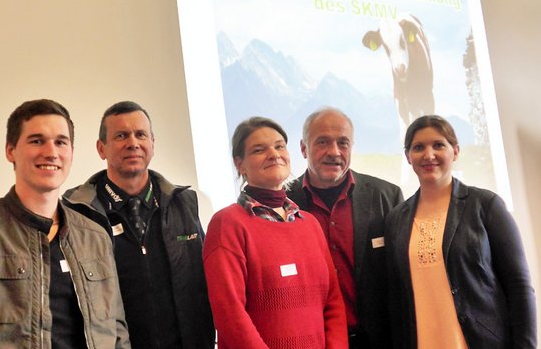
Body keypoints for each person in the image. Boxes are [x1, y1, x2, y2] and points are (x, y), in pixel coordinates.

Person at [0, 99, 130, 348]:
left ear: (71, 152)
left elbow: (117, 334)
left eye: (61, 142)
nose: (51, 152)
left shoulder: (95, 237)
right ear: (11, 150)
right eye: (37, 141)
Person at [63, 101, 215, 349]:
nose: (132, 143)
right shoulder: (78, 212)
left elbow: (204, 283)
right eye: (121, 135)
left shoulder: (183, 204)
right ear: (102, 149)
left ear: (152, 144)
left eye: (140, 134)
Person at [384, 115, 536, 348]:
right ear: (407, 157)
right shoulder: (396, 219)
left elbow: (520, 287)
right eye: (418, 147)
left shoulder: (485, 205)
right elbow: (396, 299)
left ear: (455, 151)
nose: (428, 155)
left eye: (438, 145)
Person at [203, 116, 348, 348]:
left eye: (279, 146)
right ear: (239, 164)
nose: (274, 154)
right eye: (259, 149)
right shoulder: (228, 225)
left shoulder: (309, 224)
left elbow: (333, 303)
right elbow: (230, 314)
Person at [286, 107, 403, 348]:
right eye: (323, 142)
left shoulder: (387, 196)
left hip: (381, 339)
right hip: (314, 340)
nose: (334, 152)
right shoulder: (283, 204)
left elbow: (402, 277)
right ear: (303, 148)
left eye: (343, 143)